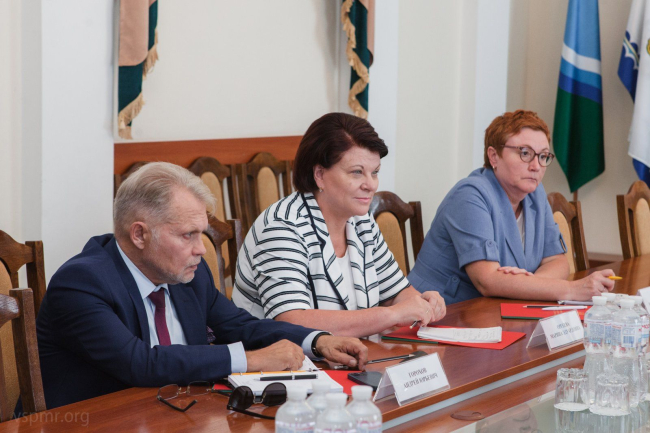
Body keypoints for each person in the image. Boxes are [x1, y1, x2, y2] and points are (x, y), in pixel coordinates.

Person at [33, 162, 367, 411]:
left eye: (201, 234)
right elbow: (140, 363)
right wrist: (250, 360)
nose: (201, 249)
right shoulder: (81, 284)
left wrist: (318, 341)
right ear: (139, 234)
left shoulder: (187, 273)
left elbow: (240, 325)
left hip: (178, 412)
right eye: (187, 235)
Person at [232, 112, 446, 337]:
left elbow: (395, 293)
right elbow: (292, 322)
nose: (371, 185)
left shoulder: (361, 221)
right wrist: (392, 315)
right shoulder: (282, 227)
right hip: (282, 357)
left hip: (352, 352)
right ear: (319, 174)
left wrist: (422, 303)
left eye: (374, 172)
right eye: (357, 172)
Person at [408, 110, 615, 304]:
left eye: (543, 156)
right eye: (525, 153)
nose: (536, 166)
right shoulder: (470, 195)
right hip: (438, 312)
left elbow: (558, 261)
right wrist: (570, 290)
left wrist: (528, 285)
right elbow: (487, 280)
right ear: (494, 156)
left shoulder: (535, 193)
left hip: (494, 311)